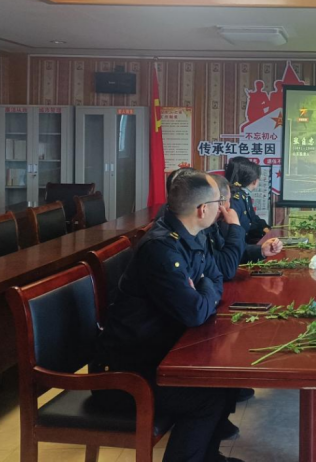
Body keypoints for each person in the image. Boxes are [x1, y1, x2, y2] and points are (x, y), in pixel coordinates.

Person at [92, 170, 243, 462]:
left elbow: (215, 277)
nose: (222, 208)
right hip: (125, 373)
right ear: (203, 209)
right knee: (207, 398)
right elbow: (195, 313)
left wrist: (202, 287)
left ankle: (208, 457)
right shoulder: (161, 248)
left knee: (225, 382)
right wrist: (204, 291)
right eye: (218, 202)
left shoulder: (194, 235)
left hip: (158, 352)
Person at [208, 172, 283, 268]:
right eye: (228, 200)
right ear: (220, 203)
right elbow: (227, 266)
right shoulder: (201, 231)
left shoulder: (213, 226)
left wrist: (261, 250)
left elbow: (233, 252)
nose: (229, 205)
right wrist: (235, 226)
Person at [225, 157, 273, 244]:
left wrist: (264, 228)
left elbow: (252, 218)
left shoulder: (244, 196)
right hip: (238, 245)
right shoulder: (236, 198)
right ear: (255, 181)